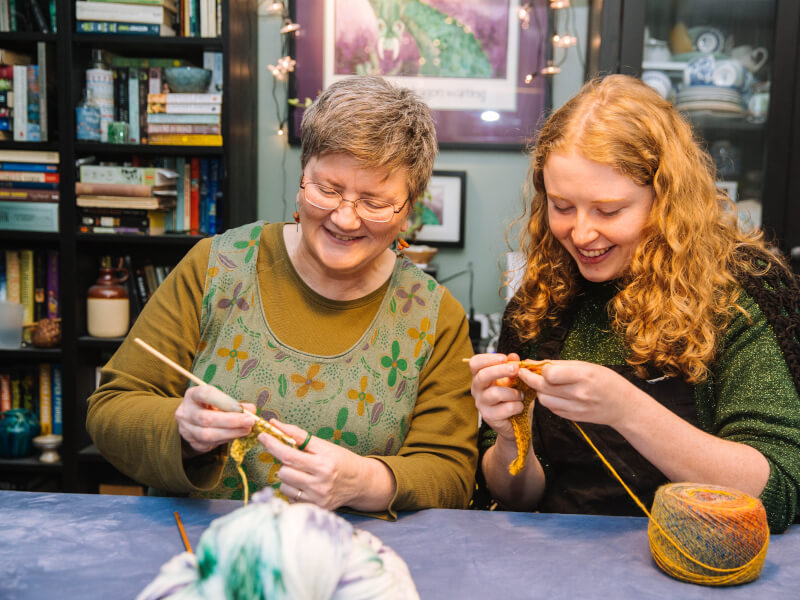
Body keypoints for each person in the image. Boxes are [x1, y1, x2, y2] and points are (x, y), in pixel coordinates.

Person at [87, 76, 478, 518]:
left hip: (354, 567)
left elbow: (452, 474)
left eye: (374, 202)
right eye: (327, 190)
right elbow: (110, 411)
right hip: (205, 556)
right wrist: (182, 430)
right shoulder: (214, 267)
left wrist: (363, 481)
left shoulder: (434, 315)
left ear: (409, 208)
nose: (345, 219)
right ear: (302, 176)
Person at [469, 74, 800, 532]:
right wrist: (508, 440)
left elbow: (778, 494)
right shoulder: (539, 304)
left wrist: (627, 410)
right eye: (562, 206)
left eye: (609, 211)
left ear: (664, 199)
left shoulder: (738, 295)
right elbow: (514, 498)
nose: (581, 234)